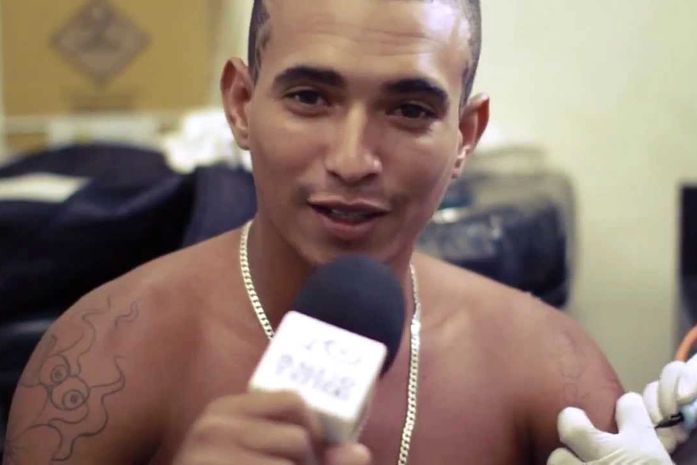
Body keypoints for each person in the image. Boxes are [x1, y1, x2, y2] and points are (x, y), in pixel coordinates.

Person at [3, 0, 668, 463]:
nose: (352, 160)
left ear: (464, 137)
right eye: (309, 98)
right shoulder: (105, 360)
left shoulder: (547, 367)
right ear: (241, 105)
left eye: (409, 109)